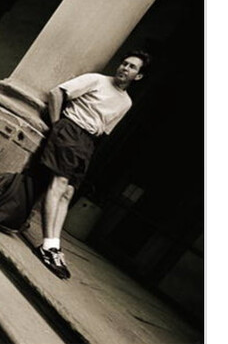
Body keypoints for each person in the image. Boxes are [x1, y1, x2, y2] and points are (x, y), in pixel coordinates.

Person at [32, 50, 150, 279]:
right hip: (70, 130)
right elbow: (57, 93)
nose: (125, 68)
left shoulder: (126, 103)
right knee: (59, 184)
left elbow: (105, 129)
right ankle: (47, 245)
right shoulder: (96, 79)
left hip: (87, 142)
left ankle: (54, 245)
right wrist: (57, 127)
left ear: (138, 77)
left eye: (132, 67)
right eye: (124, 63)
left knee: (67, 192)